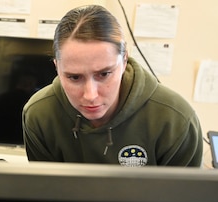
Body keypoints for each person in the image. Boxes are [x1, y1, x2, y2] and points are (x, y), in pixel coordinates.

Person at [22, 5, 203, 167]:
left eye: (104, 74)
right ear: (57, 67)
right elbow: (48, 195)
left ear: (124, 61)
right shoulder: (39, 114)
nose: (90, 95)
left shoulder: (175, 120)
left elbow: (184, 201)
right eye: (74, 77)